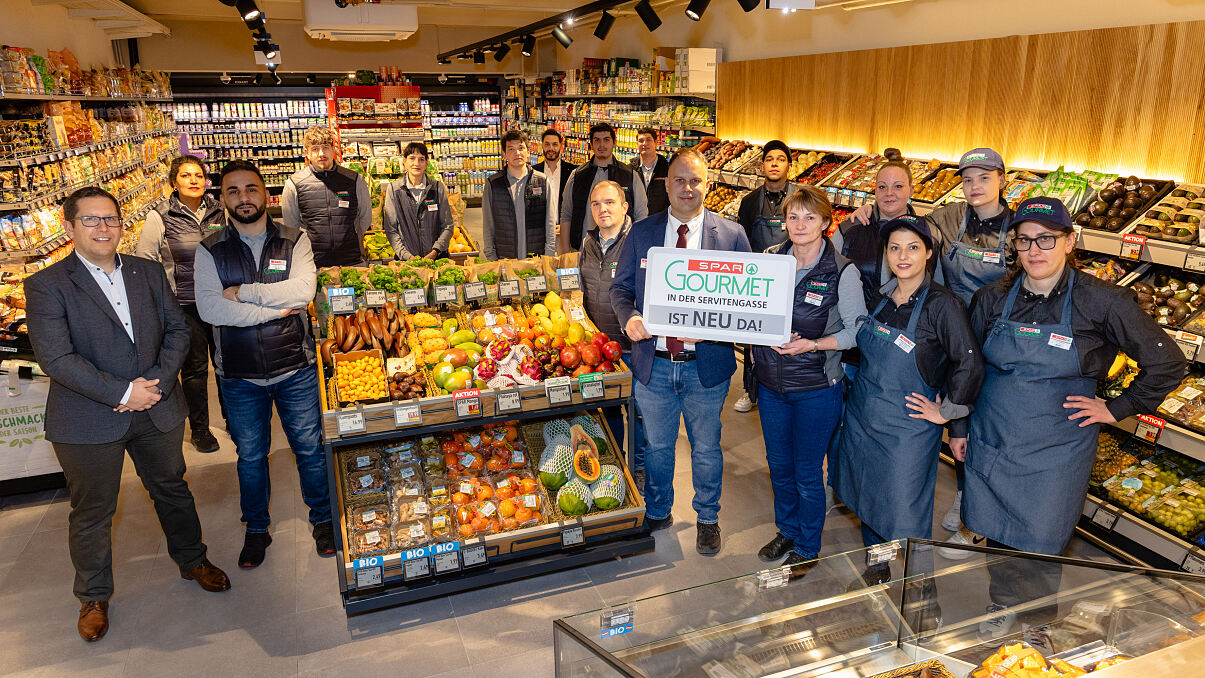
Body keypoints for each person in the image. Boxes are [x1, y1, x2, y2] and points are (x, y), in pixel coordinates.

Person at [955, 197, 1185, 636]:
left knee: (1042, 539)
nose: (1035, 250)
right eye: (1024, 241)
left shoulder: (1102, 301)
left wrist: (1116, 408)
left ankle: (1037, 623)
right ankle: (1001, 601)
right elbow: (968, 369)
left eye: (1047, 239)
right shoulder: (991, 298)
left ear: (1069, 241)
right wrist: (960, 427)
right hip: (994, 435)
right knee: (998, 532)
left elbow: (1167, 362)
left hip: (1056, 447)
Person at [26, 186, 230, 643]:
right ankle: (93, 597)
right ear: (69, 226)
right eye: (92, 220)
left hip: (155, 406)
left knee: (172, 489)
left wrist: (151, 385)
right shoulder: (46, 285)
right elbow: (56, 359)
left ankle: (192, 559)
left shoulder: (147, 271)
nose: (104, 228)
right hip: (87, 418)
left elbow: (178, 329)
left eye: (111, 219)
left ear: (123, 224)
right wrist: (121, 391)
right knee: (93, 510)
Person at [849, 147, 1012, 546]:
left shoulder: (1014, 230)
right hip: (915, 363)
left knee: (970, 444)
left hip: (992, 342)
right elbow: (905, 221)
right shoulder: (947, 220)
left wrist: (947, 410)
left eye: (984, 178)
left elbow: (968, 365)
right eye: (967, 179)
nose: (974, 187)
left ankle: (970, 520)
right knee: (876, 490)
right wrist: (867, 212)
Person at [194, 161, 335, 568]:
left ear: (266, 195)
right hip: (239, 375)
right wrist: (272, 311)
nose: (243, 198)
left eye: (251, 189)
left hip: (295, 365)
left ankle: (323, 520)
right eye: (233, 191)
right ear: (222, 199)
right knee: (251, 457)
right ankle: (257, 529)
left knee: (309, 449)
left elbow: (304, 288)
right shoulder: (210, 248)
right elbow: (210, 308)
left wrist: (243, 293)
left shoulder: (295, 239)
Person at [610, 148, 750, 556]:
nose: (687, 188)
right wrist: (629, 317)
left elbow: (749, 296)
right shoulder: (643, 232)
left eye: (695, 180)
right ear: (665, 184)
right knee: (656, 447)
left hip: (705, 367)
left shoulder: (731, 235)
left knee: (707, 447)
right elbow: (620, 289)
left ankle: (707, 517)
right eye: (679, 180)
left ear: (708, 185)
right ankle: (658, 510)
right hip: (653, 365)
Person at [833, 214, 983, 582]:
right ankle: (878, 564)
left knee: (905, 511)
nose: (903, 256)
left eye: (913, 248)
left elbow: (969, 362)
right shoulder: (883, 298)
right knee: (868, 497)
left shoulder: (942, 305)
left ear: (928, 253)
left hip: (907, 429)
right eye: (895, 248)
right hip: (864, 416)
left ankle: (921, 595)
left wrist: (946, 412)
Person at [752, 185, 867, 567]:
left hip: (817, 388)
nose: (800, 225)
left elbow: (857, 330)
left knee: (806, 471)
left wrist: (813, 344)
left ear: (825, 223)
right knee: (779, 466)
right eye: (793, 217)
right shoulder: (769, 259)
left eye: (810, 217)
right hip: (771, 386)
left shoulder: (841, 270)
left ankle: (807, 547)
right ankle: (786, 530)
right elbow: (749, 311)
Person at [136, 154, 227, 453]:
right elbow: (146, 264)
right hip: (185, 306)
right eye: (186, 176)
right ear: (174, 181)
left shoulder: (219, 210)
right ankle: (200, 429)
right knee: (195, 370)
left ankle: (234, 420)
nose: (193, 181)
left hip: (222, 301)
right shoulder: (159, 216)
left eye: (198, 176)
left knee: (229, 364)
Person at [579, 180, 643, 473]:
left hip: (633, 348)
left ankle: (639, 471)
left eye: (610, 202)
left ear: (624, 206)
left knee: (640, 415)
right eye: (596, 204)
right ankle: (616, 467)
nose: (603, 209)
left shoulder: (639, 242)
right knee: (608, 413)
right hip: (601, 350)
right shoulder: (588, 242)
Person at [732, 140, 797, 414]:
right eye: (769, 159)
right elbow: (742, 241)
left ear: (788, 167)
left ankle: (788, 389)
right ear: (761, 166)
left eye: (780, 159)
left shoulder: (800, 199)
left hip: (792, 278)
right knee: (754, 339)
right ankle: (751, 390)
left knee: (790, 335)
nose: (774, 163)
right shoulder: (749, 203)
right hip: (757, 280)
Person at [830, 161, 934, 309]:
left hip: (903, 324)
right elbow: (827, 276)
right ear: (875, 190)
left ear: (911, 190)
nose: (889, 193)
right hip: (854, 323)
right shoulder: (850, 229)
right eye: (882, 187)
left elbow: (934, 286)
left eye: (898, 186)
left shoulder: (927, 234)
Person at [282, 125, 372, 267]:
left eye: (325, 147)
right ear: (307, 153)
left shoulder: (354, 180)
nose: (321, 153)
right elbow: (291, 226)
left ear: (333, 150)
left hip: (352, 260)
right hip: (313, 262)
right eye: (315, 149)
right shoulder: (294, 184)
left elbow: (365, 217)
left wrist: (351, 236)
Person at [560, 122, 648, 254]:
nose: (601, 145)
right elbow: (566, 215)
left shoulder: (630, 176)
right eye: (597, 140)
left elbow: (641, 215)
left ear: (614, 142)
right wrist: (566, 251)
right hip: (582, 251)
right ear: (591, 144)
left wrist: (637, 249)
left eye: (606, 140)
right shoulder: (577, 176)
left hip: (622, 251)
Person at [481, 130, 555, 260]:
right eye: (511, 149)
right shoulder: (493, 184)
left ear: (528, 151)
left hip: (536, 259)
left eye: (521, 148)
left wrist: (548, 256)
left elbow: (550, 223)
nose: (517, 153)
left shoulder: (542, 181)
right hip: (505, 258)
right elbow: (488, 224)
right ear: (504, 154)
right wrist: (491, 257)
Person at [382, 142, 455, 261]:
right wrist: (407, 256)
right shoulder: (394, 189)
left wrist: (436, 251)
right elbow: (391, 229)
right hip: (406, 261)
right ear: (404, 161)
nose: (416, 163)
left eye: (421, 159)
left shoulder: (437, 188)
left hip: (436, 259)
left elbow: (447, 225)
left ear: (426, 163)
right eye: (412, 158)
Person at [534, 129, 576, 237]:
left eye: (555, 144)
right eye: (547, 144)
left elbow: (577, 205)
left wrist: (566, 225)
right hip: (540, 233)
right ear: (542, 146)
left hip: (565, 232)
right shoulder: (533, 173)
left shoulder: (573, 172)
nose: (551, 148)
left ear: (561, 147)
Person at [630, 126, 669, 215]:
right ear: (637, 144)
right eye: (641, 141)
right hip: (637, 221)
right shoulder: (630, 170)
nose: (644, 143)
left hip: (660, 221)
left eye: (648, 140)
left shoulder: (667, 169)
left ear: (656, 142)